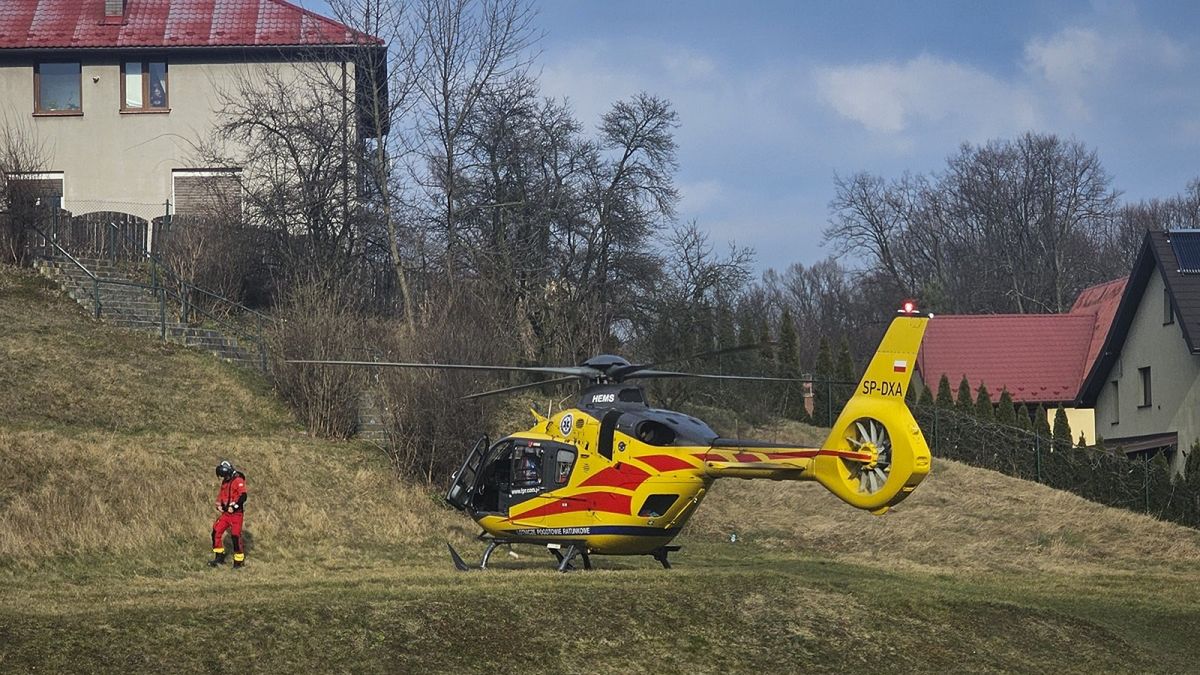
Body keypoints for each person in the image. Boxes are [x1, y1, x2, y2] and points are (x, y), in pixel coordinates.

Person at [209, 460, 248, 569]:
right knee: (216, 531)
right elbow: (222, 495)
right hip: (226, 514)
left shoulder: (238, 480)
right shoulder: (225, 481)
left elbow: (243, 496)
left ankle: (238, 561)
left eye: (223, 475)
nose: (222, 478)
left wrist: (234, 507)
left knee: (235, 536)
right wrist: (218, 505)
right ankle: (219, 557)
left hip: (236, 514)